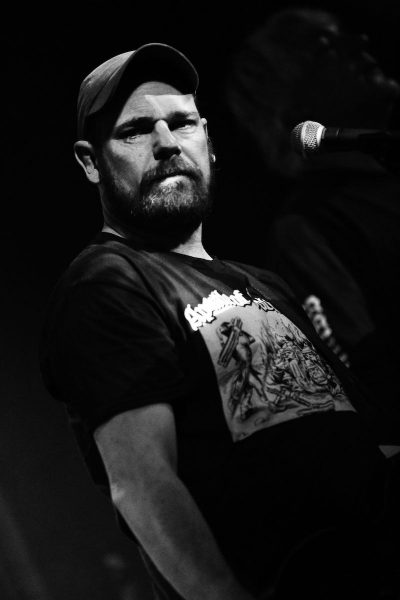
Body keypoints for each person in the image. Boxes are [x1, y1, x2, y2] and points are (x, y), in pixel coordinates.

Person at [40, 43, 392, 600]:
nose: (166, 143)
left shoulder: (265, 284)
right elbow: (142, 483)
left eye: (182, 123)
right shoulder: (107, 282)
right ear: (90, 162)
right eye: (136, 131)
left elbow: (370, 435)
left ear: (207, 138)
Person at [224, 8, 400, 446]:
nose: (360, 42)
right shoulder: (306, 229)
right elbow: (371, 381)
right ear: (290, 100)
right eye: (325, 47)